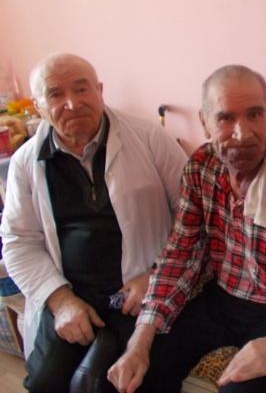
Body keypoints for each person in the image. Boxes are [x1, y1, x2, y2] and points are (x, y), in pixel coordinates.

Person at [108, 64, 266, 393]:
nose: (242, 133)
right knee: (140, 374)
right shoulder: (200, 167)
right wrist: (140, 340)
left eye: (254, 114)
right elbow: (179, 256)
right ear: (204, 122)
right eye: (225, 118)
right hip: (220, 299)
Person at [0, 53, 188, 392]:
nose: (73, 103)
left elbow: (193, 216)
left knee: (94, 383)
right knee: (44, 383)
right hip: (70, 295)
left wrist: (155, 273)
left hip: (137, 294)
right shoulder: (25, 163)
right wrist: (61, 301)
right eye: (55, 94)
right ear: (39, 107)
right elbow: (18, 242)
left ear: (99, 90)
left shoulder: (147, 136)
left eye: (81, 88)